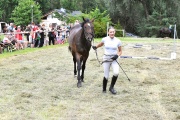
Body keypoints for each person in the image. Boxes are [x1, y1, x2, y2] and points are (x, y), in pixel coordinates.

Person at [92, 26, 122, 94]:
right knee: (106, 75)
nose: (112, 33)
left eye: (113, 32)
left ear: (115, 32)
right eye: (110, 32)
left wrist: (117, 55)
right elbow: (101, 44)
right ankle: (104, 89)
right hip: (106, 58)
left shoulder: (118, 41)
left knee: (116, 72)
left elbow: (120, 51)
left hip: (114, 59)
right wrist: (96, 47)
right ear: (108, 32)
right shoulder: (104, 39)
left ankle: (111, 87)